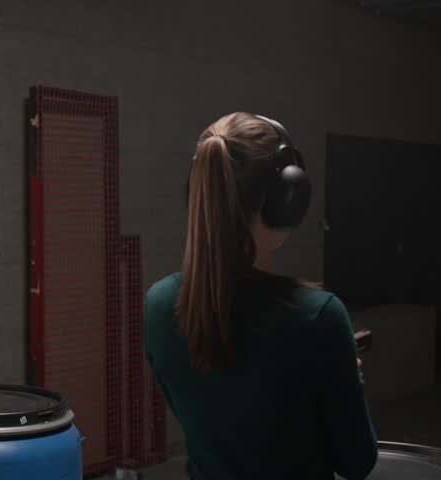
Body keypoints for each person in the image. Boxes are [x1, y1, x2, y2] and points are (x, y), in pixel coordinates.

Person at [143, 112, 378, 479]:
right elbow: (356, 461)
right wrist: (348, 383)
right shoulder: (319, 316)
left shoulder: (158, 303)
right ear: (289, 196)